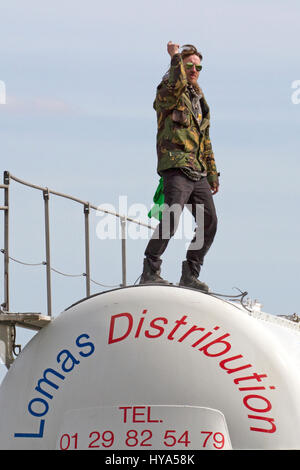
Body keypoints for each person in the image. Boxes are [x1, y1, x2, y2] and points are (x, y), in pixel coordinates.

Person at [140, 41, 219, 292]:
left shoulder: (198, 102)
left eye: (198, 67)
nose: (195, 70)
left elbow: (204, 140)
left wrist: (213, 173)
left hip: (198, 171)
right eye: (189, 65)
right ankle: (150, 270)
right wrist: (174, 56)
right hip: (176, 165)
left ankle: (190, 273)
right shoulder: (169, 90)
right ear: (179, 66)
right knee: (171, 217)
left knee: (209, 221)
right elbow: (176, 82)